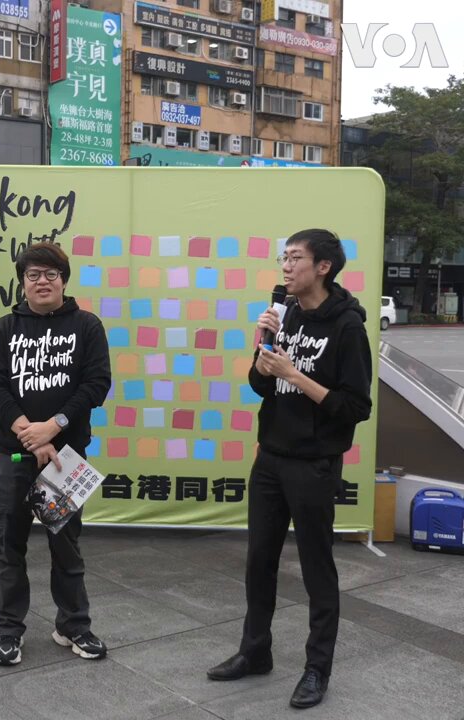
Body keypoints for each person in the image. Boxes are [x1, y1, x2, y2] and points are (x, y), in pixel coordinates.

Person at [207, 229, 372, 710]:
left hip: (314, 464)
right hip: (271, 458)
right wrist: (263, 360)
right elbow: (261, 386)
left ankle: (317, 668)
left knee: (317, 567)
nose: (285, 266)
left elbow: (355, 407)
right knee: (259, 559)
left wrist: (294, 374)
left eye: (295, 258)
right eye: (283, 257)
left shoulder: (348, 327)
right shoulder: (287, 313)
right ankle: (255, 651)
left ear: (323, 266)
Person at [0, 242, 112, 666]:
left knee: (66, 547)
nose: (42, 281)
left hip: (65, 460)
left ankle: (73, 626)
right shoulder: (3, 329)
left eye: (51, 274)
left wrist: (53, 427)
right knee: (8, 547)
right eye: (33, 274)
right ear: (22, 282)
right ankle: (7, 632)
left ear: (63, 280)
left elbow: (96, 385)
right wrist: (30, 434)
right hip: (14, 457)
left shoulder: (87, 326)